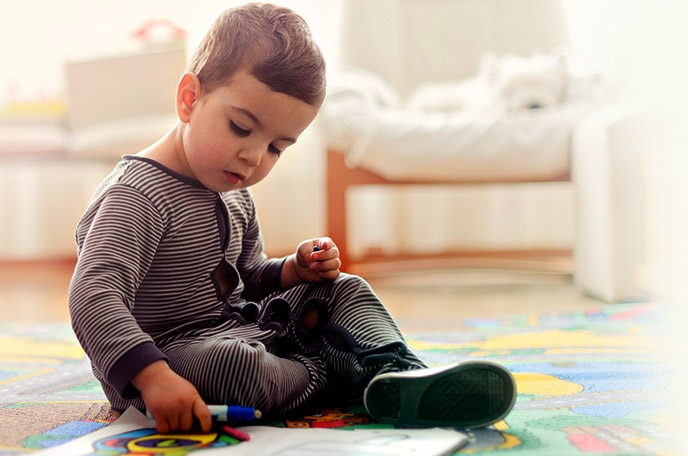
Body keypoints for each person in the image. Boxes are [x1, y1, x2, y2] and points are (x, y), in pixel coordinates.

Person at [68, 2, 516, 435]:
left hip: (255, 331)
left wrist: (292, 271)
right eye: (241, 128)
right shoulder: (138, 195)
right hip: (174, 357)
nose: (254, 156)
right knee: (234, 366)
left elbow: (246, 278)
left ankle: (397, 373)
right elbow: (93, 295)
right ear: (190, 98)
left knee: (345, 289)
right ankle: (343, 377)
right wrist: (153, 378)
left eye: (277, 147)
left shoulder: (233, 187)